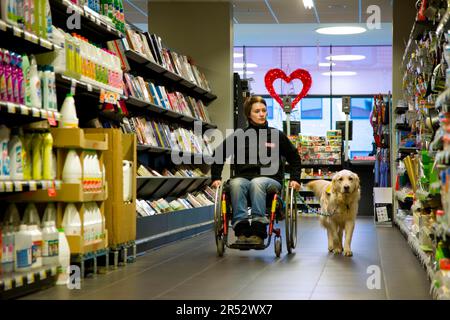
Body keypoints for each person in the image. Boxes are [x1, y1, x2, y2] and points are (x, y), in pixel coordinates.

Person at [211, 96, 301, 245]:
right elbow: (218, 155)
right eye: (257, 111)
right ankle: (241, 229)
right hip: (244, 179)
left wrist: (295, 179)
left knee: (257, 182)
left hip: (271, 180)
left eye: (264, 110)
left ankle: (259, 230)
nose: (261, 114)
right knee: (235, 183)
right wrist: (216, 177)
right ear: (249, 114)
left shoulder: (276, 135)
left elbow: (294, 157)